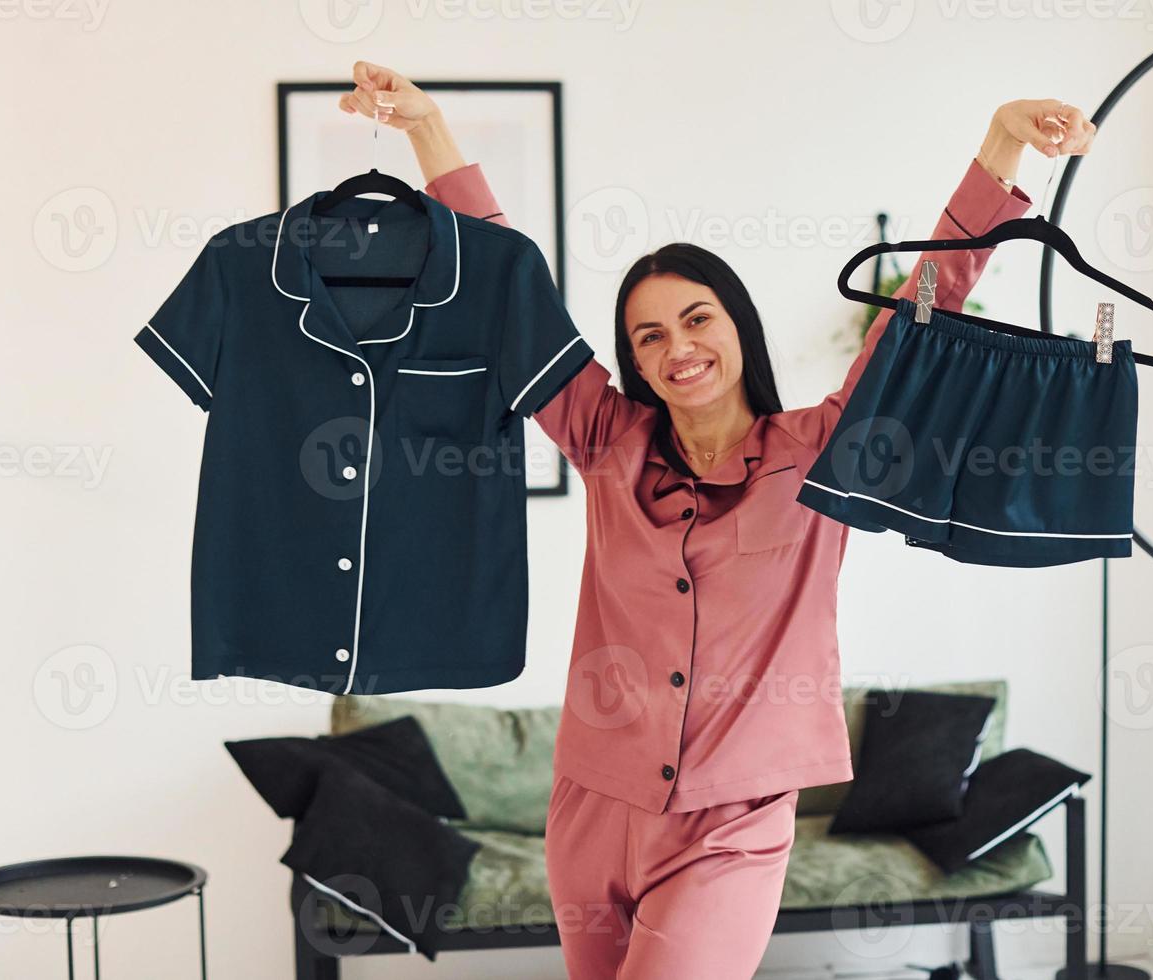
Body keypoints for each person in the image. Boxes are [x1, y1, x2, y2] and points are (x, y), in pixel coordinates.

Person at [339, 61, 1095, 980]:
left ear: (737, 325)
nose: (677, 348)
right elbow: (509, 296)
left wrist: (1001, 145)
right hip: (590, 812)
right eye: (649, 336)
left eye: (696, 319)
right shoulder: (605, 440)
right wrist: (427, 131)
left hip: (731, 826)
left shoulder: (825, 449)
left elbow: (920, 311)